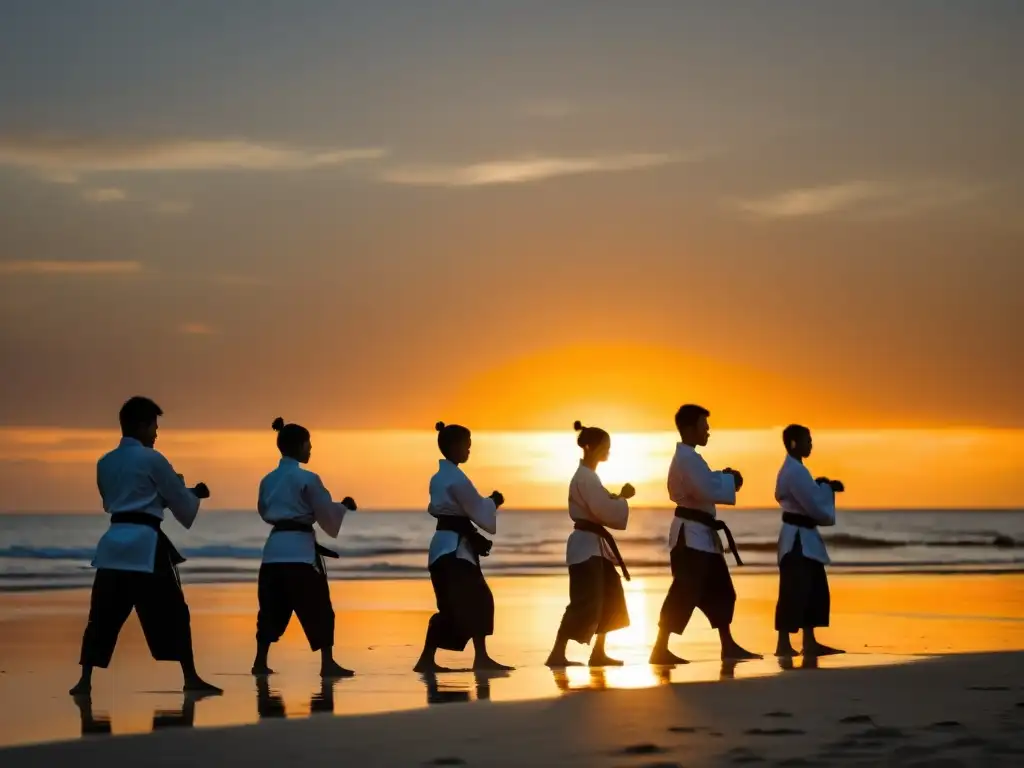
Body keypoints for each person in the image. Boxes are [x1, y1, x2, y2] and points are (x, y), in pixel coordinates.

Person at [70, 396, 220, 696]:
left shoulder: (105, 462)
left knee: (102, 614)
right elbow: (178, 502)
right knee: (175, 611)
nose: (156, 434)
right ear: (141, 425)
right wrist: (195, 494)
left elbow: (114, 502)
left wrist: (177, 491)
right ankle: (190, 677)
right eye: (153, 426)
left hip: (113, 545)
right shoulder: (153, 459)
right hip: (145, 544)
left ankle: (85, 681)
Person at [650, 404, 761, 664]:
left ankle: (728, 645)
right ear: (690, 428)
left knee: (722, 590)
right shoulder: (687, 458)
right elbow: (703, 488)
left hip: (702, 536)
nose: (708, 430)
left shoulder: (691, 459)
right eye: (704, 425)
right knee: (683, 591)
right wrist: (728, 480)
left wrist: (723, 478)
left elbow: (704, 483)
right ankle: (659, 649)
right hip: (690, 537)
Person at [251, 417, 357, 677]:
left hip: (274, 551)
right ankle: (327, 663)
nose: (310, 449)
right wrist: (343, 506)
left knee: (271, 608)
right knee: (318, 607)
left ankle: (260, 661)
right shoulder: (307, 478)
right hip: (300, 552)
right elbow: (326, 515)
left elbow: (264, 511)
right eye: (308, 444)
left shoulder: (267, 480)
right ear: (299, 445)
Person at [413, 421, 512, 672]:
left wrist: (485, 505)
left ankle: (439, 658)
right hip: (453, 550)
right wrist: (494, 501)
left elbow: (466, 509)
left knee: (460, 603)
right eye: (467, 446)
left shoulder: (439, 477)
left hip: (445, 546)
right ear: (455, 446)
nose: (469, 451)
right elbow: (477, 508)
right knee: (473, 600)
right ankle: (473, 658)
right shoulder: (455, 478)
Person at [545, 421, 634, 668]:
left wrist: (620, 497)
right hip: (586, 548)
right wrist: (622, 499)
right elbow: (603, 509)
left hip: (595, 547)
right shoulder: (585, 477)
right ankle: (557, 653)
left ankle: (599, 652)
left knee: (610, 595)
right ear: (592, 447)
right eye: (606, 447)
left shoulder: (590, 477)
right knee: (584, 600)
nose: (609, 451)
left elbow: (602, 505)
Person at [774, 424, 844, 657]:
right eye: (807, 440)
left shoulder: (795, 470)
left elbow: (808, 496)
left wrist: (822, 486)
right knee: (794, 590)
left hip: (802, 538)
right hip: (797, 541)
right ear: (794, 443)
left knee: (813, 589)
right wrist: (826, 488)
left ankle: (809, 641)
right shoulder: (794, 471)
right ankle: (783, 644)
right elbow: (814, 505)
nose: (811, 444)